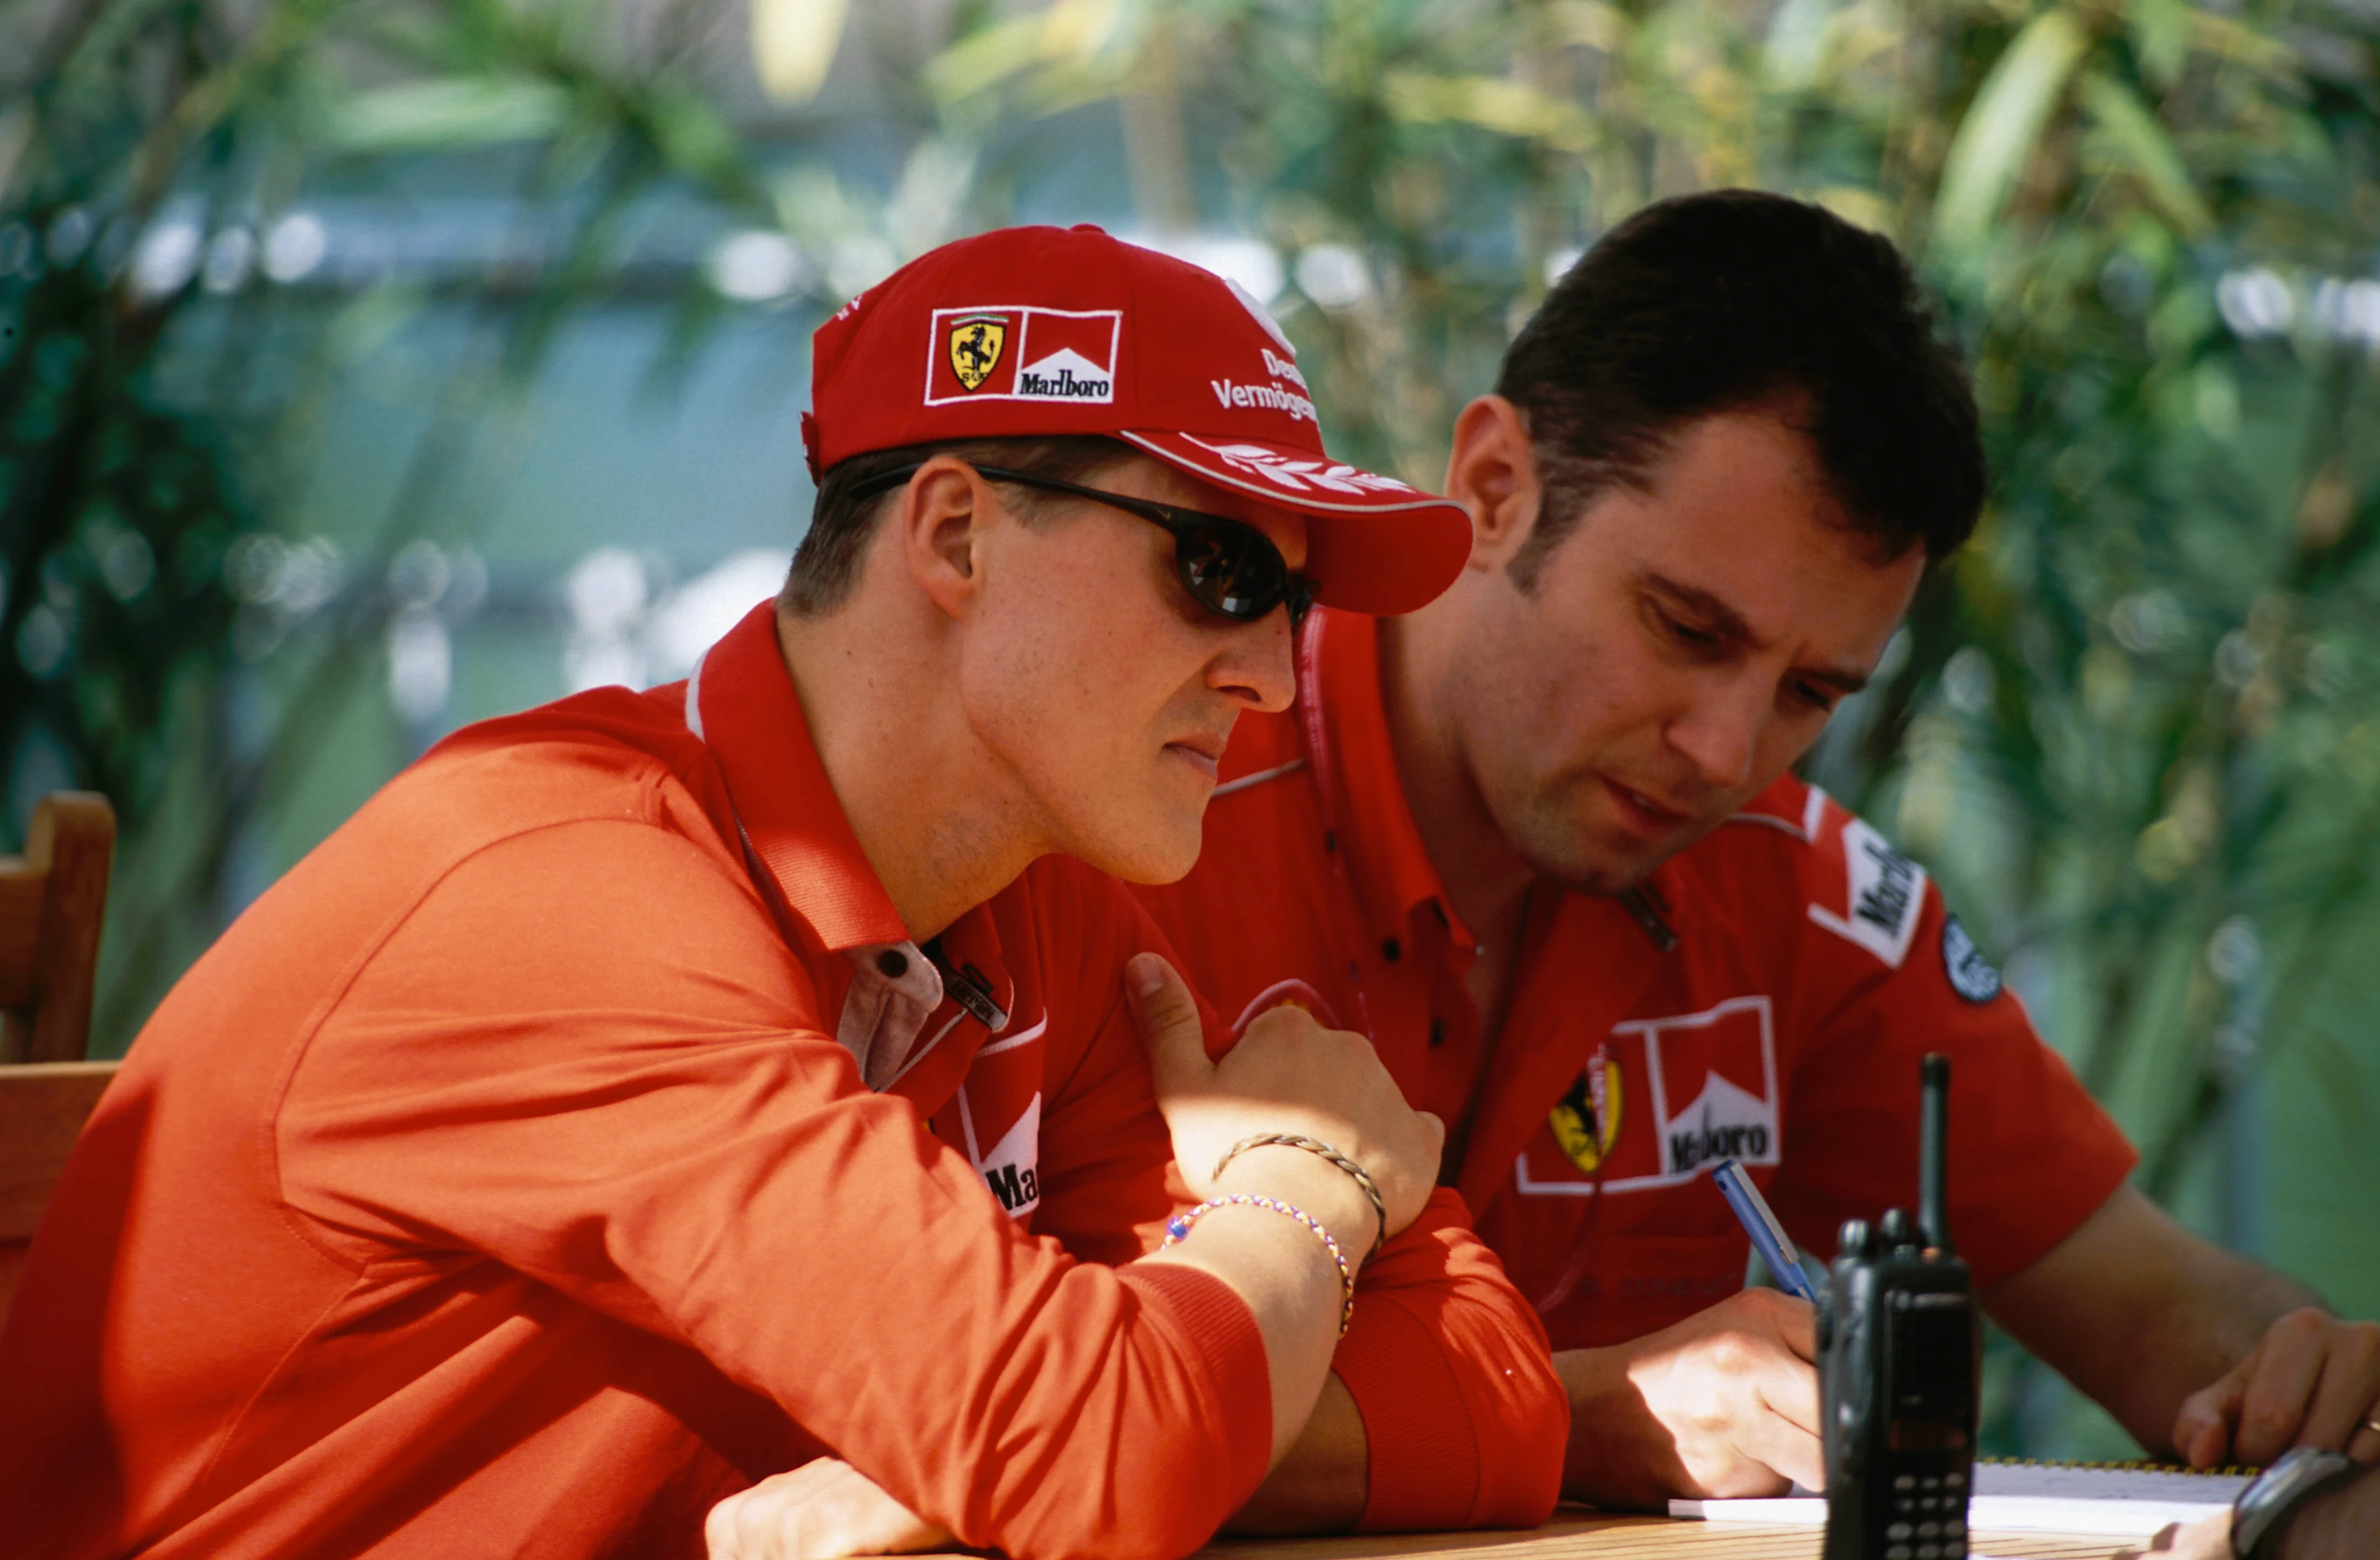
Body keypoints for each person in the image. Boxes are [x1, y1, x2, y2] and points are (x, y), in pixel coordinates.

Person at [0, 225, 1565, 1560]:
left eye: (1290, 601)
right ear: (953, 531)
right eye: (1220, 569)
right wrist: (1309, 1184)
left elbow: (1493, 1392)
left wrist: (983, 1460)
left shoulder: (1040, 894)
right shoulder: (563, 892)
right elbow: (1105, 1442)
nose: (1267, 672)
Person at [1133, 191, 2380, 1512]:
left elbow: (2151, 1309)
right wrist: (1570, 1418)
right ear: (1495, 489)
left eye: (1811, 694)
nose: (1725, 754)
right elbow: (1019, 1419)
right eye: (1686, 629)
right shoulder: (1151, 804)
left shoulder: (1793, 882)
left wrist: (2306, 1378)